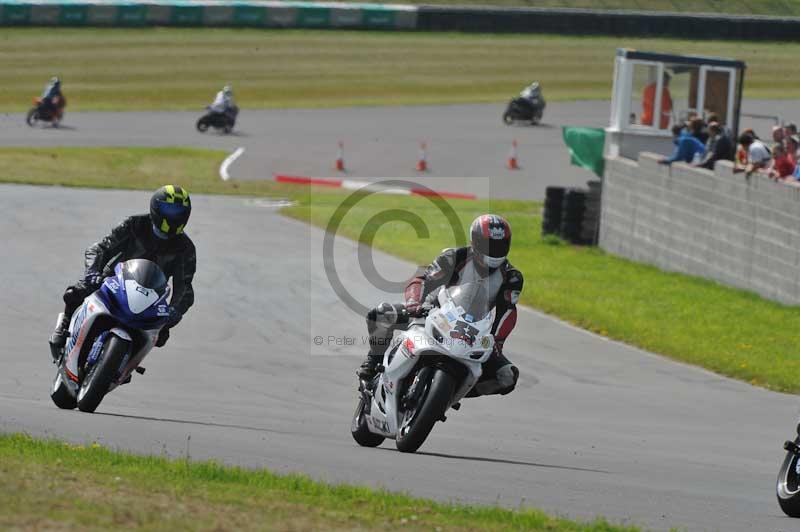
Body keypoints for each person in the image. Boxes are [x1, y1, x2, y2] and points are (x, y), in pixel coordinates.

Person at [357, 214, 523, 398]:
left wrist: (497, 341)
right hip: (433, 313)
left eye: (500, 246)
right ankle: (372, 364)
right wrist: (414, 303)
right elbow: (423, 280)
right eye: (489, 245)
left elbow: (507, 311)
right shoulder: (454, 257)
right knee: (380, 315)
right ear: (474, 241)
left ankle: (452, 393)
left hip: (475, 332)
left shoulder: (512, 277)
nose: (494, 251)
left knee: (507, 377)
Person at [48, 185, 196, 360]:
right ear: (155, 208)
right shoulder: (134, 224)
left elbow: (185, 287)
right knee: (76, 292)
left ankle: (127, 361)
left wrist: (174, 310)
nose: (173, 216)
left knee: (161, 335)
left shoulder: (185, 248)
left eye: (178, 211)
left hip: (151, 298)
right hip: (114, 281)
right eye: (168, 209)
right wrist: (93, 272)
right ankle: (64, 326)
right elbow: (99, 249)